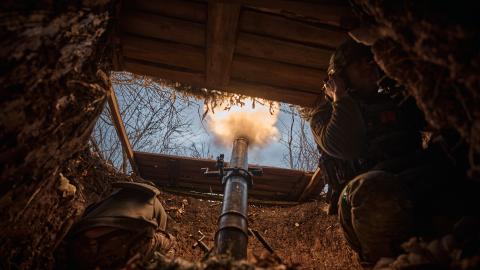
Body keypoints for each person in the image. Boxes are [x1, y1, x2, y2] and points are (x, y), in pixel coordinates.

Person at [309, 39, 469, 266]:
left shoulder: (395, 102)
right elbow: (346, 145)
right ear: (340, 75)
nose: (370, 68)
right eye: (360, 64)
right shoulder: (325, 113)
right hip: (362, 197)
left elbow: (442, 115)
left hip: (413, 181)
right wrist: (340, 97)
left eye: (372, 62)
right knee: (375, 185)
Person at [67, 181, 175, 269]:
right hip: (118, 242)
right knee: (170, 242)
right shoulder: (154, 201)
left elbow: (89, 211)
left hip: (79, 242)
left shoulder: (115, 194)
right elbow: (160, 232)